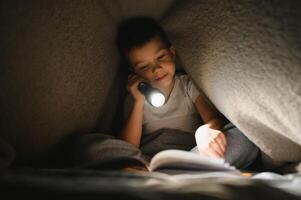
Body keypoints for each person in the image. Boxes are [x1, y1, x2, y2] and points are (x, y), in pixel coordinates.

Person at [116, 16, 259, 169]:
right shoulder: (135, 98)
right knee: (94, 145)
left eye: (161, 57)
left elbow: (212, 119)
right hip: (152, 161)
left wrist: (206, 131)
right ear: (134, 72)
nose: (156, 69)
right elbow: (128, 148)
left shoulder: (187, 85)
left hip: (193, 155)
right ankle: (177, 179)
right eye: (144, 66)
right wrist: (138, 102)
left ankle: (171, 179)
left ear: (172, 53)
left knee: (246, 136)